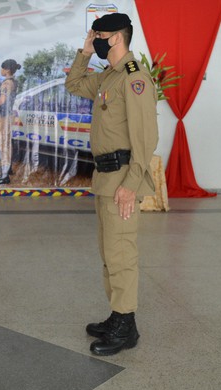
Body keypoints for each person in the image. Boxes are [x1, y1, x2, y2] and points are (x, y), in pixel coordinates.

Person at [65, 13, 158, 356]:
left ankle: (127, 326)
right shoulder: (108, 77)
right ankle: (117, 315)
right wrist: (85, 51)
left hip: (122, 178)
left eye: (100, 36)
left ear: (117, 38)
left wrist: (131, 185)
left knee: (121, 253)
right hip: (105, 178)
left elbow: (146, 138)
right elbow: (73, 84)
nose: (97, 40)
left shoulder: (135, 80)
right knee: (109, 253)